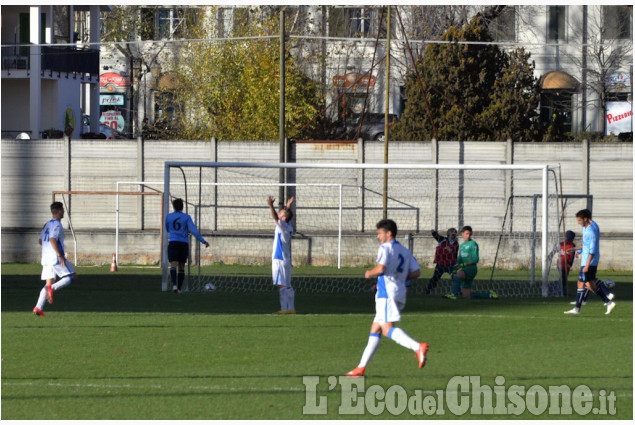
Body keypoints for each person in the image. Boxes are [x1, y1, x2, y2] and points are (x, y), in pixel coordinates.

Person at [346, 219, 428, 377]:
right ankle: (360, 368)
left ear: (388, 233)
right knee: (375, 328)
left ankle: (417, 347)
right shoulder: (404, 250)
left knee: (386, 329)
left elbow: (381, 267)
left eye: (380, 233)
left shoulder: (385, 247)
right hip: (399, 291)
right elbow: (417, 272)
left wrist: (369, 272)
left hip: (386, 293)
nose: (378, 237)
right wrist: (400, 277)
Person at [565, 209, 615, 315]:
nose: (578, 223)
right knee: (589, 284)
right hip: (589, 260)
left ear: (586, 219)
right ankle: (608, 301)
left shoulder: (590, 231)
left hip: (589, 261)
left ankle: (578, 308)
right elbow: (586, 245)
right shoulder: (591, 226)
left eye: (579, 220)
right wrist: (574, 250)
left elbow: (591, 250)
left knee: (583, 283)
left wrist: (587, 265)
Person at [33, 202, 77, 316]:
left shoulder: (47, 224)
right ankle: (52, 288)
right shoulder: (57, 225)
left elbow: (40, 241)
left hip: (46, 259)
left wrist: (48, 249)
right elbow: (52, 239)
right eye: (62, 209)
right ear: (58, 211)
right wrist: (59, 254)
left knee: (49, 282)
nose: (63, 211)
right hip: (55, 258)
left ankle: (38, 307)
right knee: (72, 276)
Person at [165, 198, 209, 293]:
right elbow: (194, 231)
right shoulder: (187, 217)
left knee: (173, 265)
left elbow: (167, 229)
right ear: (182, 206)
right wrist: (203, 241)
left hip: (173, 242)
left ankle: (174, 285)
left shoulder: (168, 217)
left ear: (173, 207)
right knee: (181, 266)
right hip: (183, 243)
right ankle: (179, 289)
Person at [443, 226, 497, 299]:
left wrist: (464, 264)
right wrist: (455, 265)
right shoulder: (461, 246)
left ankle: (453, 295)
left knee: (457, 276)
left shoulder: (473, 244)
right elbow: (460, 259)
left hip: (471, 269)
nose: (468, 236)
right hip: (465, 269)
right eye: (466, 234)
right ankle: (490, 295)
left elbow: (475, 259)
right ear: (462, 234)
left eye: (469, 234)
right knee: (467, 296)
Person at [267, 195, 296, 314]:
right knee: (288, 285)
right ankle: (291, 309)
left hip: (279, 259)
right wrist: (288, 206)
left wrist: (270, 205)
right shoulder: (289, 226)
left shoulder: (283, 225)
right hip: (286, 259)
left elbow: (275, 217)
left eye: (281, 212)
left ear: (283, 217)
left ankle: (284, 310)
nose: (279, 213)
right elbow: (286, 216)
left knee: (281, 285)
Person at [425, 228, 459, 294]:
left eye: (455, 232)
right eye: (452, 232)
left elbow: (455, 255)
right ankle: (427, 291)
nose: (453, 233)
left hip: (450, 264)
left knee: (455, 278)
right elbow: (436, 236)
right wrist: (433, 232)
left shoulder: (456, 244)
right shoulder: (442, 240)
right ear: (448, 234)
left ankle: (458, 291)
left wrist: (455, 263)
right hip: (441, 264)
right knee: (435, 278)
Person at [557, 230, 576, 296]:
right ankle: (563, 292)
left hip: (559, 263)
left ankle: (562, 290)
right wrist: (570, 264)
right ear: (573, 238)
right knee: (564, 278)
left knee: (562, 277)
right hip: (566, 264)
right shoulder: (572, 245)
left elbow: (555, 251)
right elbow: (572, 256)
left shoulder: (561, 244)